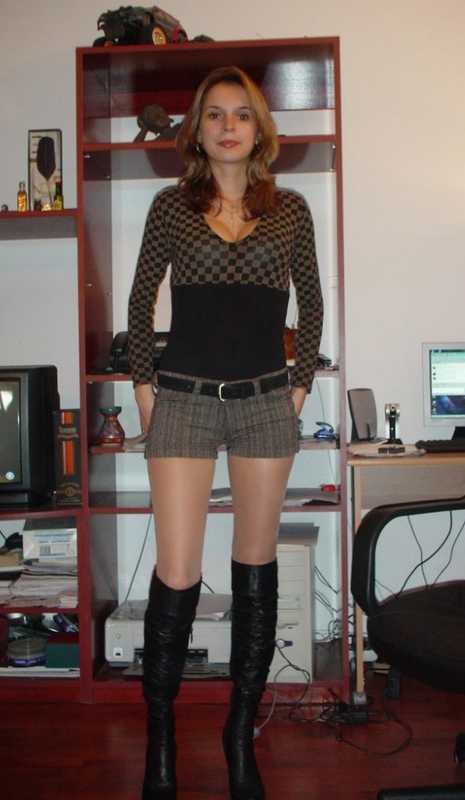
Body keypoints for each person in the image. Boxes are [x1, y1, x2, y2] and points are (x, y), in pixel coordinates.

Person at [128, 65, 323, 800]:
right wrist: (144, 389)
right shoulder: (171, 207)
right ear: (197, 129)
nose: (229, 125)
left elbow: (313, 304)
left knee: (254, 566)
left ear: (259, 128)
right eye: (215, 114)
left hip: (265, 400)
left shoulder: (291, 209)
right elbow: (140, 301)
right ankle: (161, 742)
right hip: (182, 398)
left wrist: (298, 387)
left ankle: (240, 736)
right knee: (177, 573)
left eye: (242, 113)